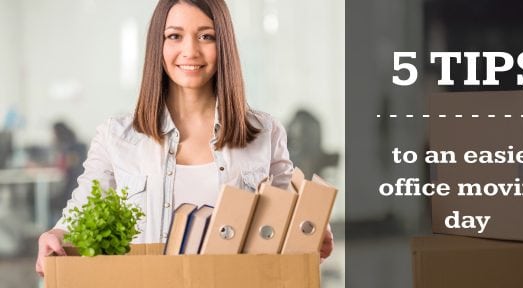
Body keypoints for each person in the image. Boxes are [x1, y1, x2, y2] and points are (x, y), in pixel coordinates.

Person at [36, 0, 333, 277]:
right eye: (175, 36)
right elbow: (86, 204)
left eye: (206, 36)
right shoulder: (116, 137)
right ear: (158, 45)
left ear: (224, 44)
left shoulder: (265, 132)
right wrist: (57, 234)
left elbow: (287, 215)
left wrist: (313, 227)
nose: (190, 51)